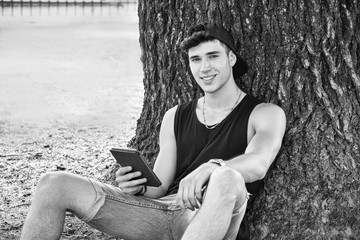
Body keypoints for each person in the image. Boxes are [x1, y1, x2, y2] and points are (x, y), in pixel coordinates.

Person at [20, 22, 286, 240]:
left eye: (213, 56)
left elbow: (258, 163)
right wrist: (136, 186)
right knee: (53, 183)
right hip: (159, 212)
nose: (205, 68)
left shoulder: (264, 113)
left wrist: (213, 167)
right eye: (196, 60)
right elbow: (158, 187)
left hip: (208, 218)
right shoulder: (174, 116)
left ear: (231, 58)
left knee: (227, 177)